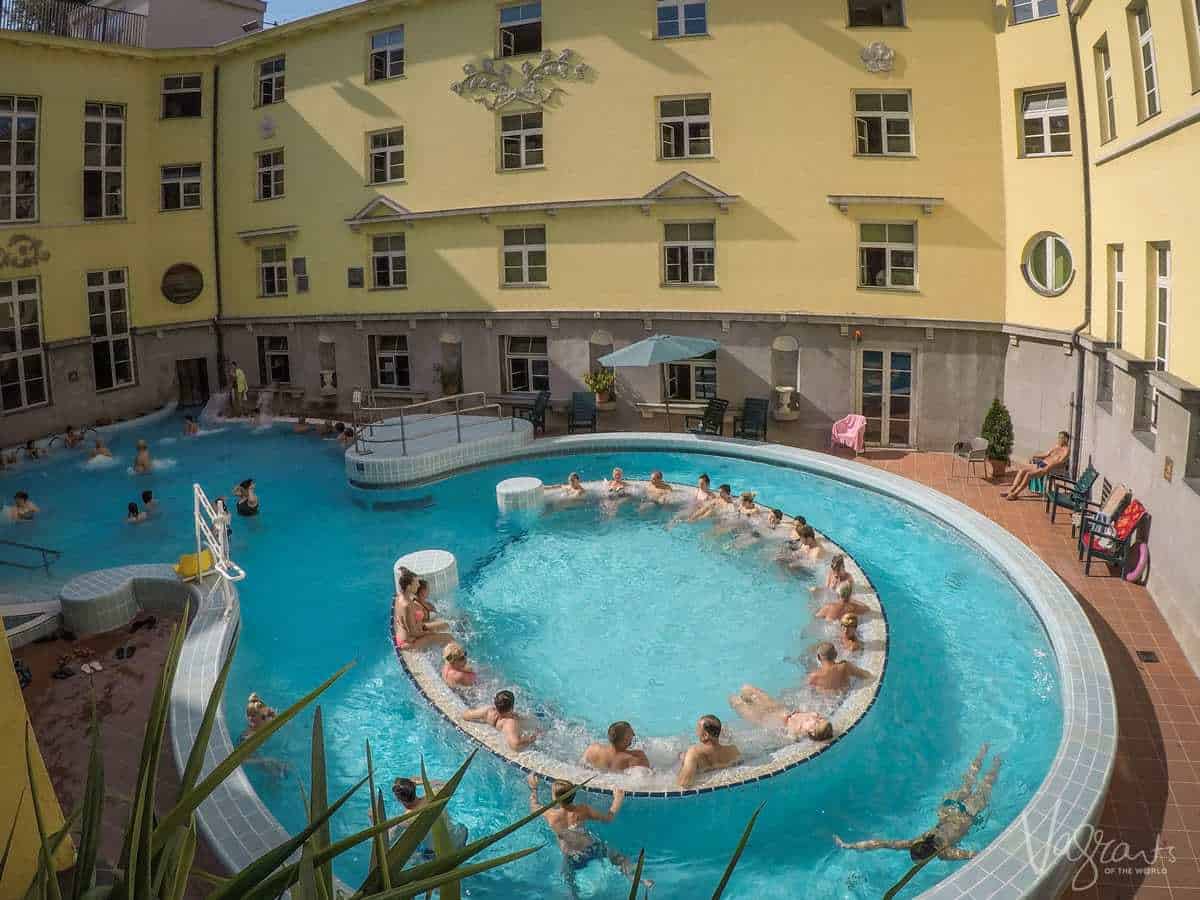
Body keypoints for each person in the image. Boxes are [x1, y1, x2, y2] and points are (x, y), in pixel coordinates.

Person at [835, 744, 1002, 862]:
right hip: (948, 809)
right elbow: (882, 843)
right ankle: (983, 751)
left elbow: (975, 855)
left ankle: (997, 761)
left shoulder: (946, 853)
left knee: (986, 784)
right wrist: (848, 846)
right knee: (968, 780)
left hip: (967, 813)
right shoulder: (919, 840)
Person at [527, 774, 648, 892]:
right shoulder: (583, 810)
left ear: (555, 798)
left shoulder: (551, 815)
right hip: (592, 848)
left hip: (573, 857)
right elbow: (608, 818)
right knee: (620, 860)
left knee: (569, 882)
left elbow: (534, 806)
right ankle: (639, 879)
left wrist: (533, 788)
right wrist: (617, 800)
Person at [390, 777, 468, 858]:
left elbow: (389, 840)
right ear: (414, 787)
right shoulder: (434, 796)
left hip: (439, 854)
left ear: (398, 799)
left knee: (415, 851)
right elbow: (448, 783)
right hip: (459, 838)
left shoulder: (404, 820)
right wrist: (422, 781)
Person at [729, 685, 834, 742]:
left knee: (734, 700)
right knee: (747, 688)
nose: (818, 719)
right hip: (779, 709)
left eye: (817, 724)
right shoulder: (813, 716)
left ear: (812, 732)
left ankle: (746, 705)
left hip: (766, 720)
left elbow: (785, 738)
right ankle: (749, 702)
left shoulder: (800, 733)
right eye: (821, 719)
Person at [1003, 431, 1071, 501]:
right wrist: (1034, 456)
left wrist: (1049, 466)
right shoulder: (1057, 446)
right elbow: (1046, 454)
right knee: (1022, 470)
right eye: (1058, 437)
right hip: (1042, 463)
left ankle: (1015, 494)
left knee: (1029, 474)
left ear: (1066, 439)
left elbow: (1060, 462)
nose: (1059, 439)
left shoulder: (1066, 450)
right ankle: (1011, 490)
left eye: (1061, 438)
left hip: (1050, 468)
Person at [395, 571, 453, 650]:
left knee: (446, 625)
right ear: (408, 587)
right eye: (416, 583)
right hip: (408, 642)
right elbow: (413, 633)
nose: (418, 585)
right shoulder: (407, 605)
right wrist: (430, 633)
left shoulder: (400, 597)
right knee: (449, 637)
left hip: (414, 632)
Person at [678, 715, 741, 787]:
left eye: (698, 728)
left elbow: (683, 783)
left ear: (706, 735)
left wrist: (683, 763)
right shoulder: (733, 750)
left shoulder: (694, 753)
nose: (696, 731)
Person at [462, 690, 535, 751]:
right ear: (512, 707)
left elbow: (465, 715)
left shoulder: (488, 711)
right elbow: (515, 745)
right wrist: (530, 739)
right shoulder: (510, 722)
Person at [584, 721, 651, 773]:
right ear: (626, 738)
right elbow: (647, 779)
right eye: (631, 733)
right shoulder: (636, 757)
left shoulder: (593, 749)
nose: (633, 735)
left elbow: (581, 767)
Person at [808, 642, 873, 692]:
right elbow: (866, 675)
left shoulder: (814, 676)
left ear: (819, 658)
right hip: (845, 694)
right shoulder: (845, 666)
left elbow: (808, 691)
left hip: (830, 703)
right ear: (836, 654)